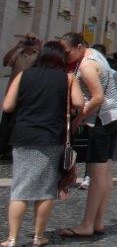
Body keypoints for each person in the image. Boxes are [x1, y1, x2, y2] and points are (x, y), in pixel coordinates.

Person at [3, 40, 84, 247]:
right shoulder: (67, 78)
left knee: (19, 188)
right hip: (50, 136)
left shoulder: (24, 75)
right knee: (46, 190)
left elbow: (8, 105)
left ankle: (12, 238)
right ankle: (38, 236)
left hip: (24, 136)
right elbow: (79, 103)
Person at [57, 33, 117, 240]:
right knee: (105, 173)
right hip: (115, 116)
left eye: (67, 52)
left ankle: (87, 224)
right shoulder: (96, 55)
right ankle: (98, 221)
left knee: (96, 174)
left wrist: (77, 120)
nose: (65, 56)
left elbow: (97, 98)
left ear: (79, 47)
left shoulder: (86, 65)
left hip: (101, 121)